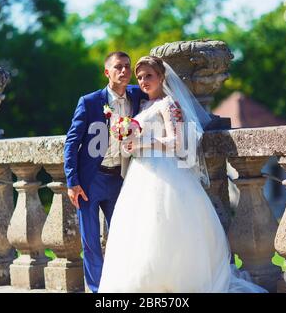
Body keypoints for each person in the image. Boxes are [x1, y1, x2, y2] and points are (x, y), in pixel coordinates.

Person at [98, 56, 267, 293]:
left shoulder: (169, 105)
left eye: (149, 76)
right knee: (142, 229)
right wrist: (129, 144)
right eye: (140, 77)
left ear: (162, 77)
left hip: (166, 173)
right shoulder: (143, 107)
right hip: (141, 174)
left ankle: (178, 283)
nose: (144, 81)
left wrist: (141, 143)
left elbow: (177, 142)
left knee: (168, 226)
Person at [63, 51, 146, 293]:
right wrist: (72, 181)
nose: (124, 71)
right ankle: (99, 291)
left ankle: (123, 285)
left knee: (124, 235)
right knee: (90, 242)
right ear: (106, 72)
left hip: (121, 178)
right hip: (91, 180)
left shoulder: (137, 95)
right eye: (118, 67)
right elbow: (72, 142)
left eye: (127, 67)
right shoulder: (89, 102)